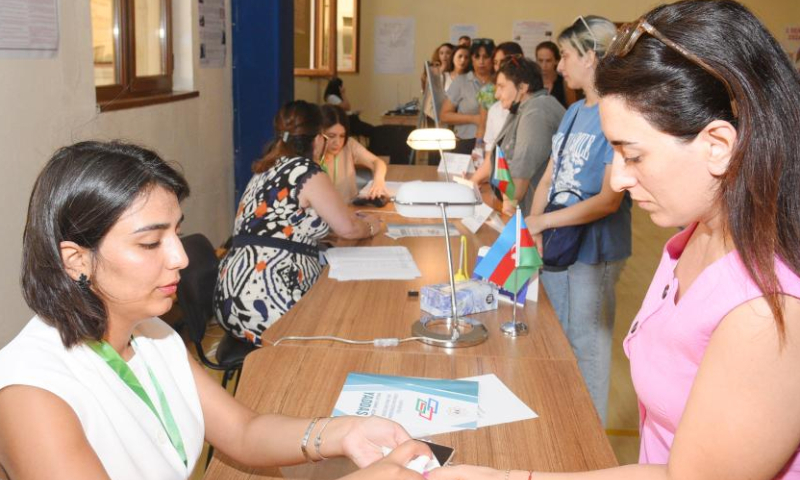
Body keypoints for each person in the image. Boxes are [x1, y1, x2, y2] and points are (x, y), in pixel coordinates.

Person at [430, 1, 800, 478]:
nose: (620, 179)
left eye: (634, 154)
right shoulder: (693, 236)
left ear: (718, 146)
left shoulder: (766, 312)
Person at [0, 140, 431, 480]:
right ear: (76, 259)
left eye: (176, 233)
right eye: (151, 243)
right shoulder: (32, 397)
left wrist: (342, 431)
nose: (180, 258)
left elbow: (243, 433)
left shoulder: (151, 334)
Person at [527, 15, 631, 425]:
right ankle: (562, 424)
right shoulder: (573, 113)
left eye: (567, 55)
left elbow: (607, 200)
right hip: (556, 246)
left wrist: (544, 224)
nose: (560, 65)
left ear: (591, 56)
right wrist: (534, 223)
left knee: (588, 346)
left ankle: (588, 439)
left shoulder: (617, 113)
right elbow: (549, 178)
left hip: (593, 251)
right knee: (559, 339)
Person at [214, 101, 383, 344]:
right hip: (268, 300)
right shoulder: (307, 171)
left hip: (232, 297)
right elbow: (347, 229)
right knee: (350, 313)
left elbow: (287, 225)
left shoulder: (266, 169)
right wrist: (371, 226)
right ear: (317, 139)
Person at [472, 56, 565, 216]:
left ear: (522, 87)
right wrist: (472, 182)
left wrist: (506, 203)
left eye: (501, 86)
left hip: (539, 217)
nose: (497, 95)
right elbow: (499, 156)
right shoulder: (524, 107)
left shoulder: (536, 112)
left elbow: (517, 185)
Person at [320, 104, 389, 202]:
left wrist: (378, 181)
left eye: (342, 136)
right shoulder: (311, 156)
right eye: (331, 136)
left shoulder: (349, 144)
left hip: (351, 208)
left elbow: (377, 162)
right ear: (319, 134)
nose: (338, 142)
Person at [475, 41, 524, 170]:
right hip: (498, 171)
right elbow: (489, 143)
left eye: (502, 62)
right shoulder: (494, 107)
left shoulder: (530, 108)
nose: (498, 67)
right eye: (495, 63)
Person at [441, 39, 495, 154]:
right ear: (472, 59)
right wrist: (474, 119)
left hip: (495, 142)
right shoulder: (461, 81)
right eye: (477, 57)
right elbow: (444, 116)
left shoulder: (500, 82)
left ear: (492, 59)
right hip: (466, 142)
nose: (481, 61)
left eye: (485, 57)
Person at [535, 41, 569, 108]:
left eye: (548, 61)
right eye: (540, 60)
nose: (544, 66)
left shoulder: (565, 83)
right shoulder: (531, 83)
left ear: (556, 61)